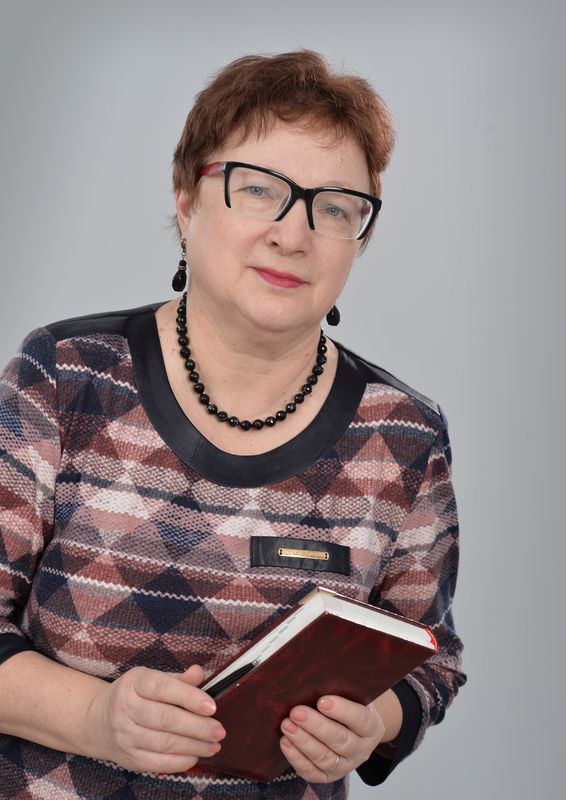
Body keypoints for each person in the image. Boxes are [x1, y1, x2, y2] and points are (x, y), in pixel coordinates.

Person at [0, 51, 465, 799]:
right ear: (186, 198)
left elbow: (431, 660)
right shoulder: (66, 375)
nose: (293, 234)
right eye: (258, 190)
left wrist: (373, 721)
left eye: (334, 208)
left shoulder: (404, 435)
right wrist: (93, 719)